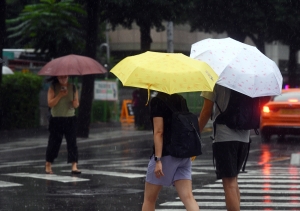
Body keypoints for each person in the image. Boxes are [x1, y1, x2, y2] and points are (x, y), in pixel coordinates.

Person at [142, 92, 199, 211]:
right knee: (188, 197)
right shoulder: (181, 99)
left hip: (166, 154)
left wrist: (158, 160)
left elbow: (159, 132)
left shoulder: (157, 101)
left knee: (149, 199)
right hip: (183, 154)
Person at [198, 84, 250, 211]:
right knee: (233, 181)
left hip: (225, 137)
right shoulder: (245, 78)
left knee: (229, 183)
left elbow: (206, 111)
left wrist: (196, 133)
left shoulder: (215, 79)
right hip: (244, 137)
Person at [45, 75, 81, 174]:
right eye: (61, 77)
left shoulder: (73, 87)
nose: (63, 79)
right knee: (54, 143)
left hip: (70, 119)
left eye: (65, 77)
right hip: (56, 119)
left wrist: (75, 103)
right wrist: (60, 95)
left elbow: (76, 104)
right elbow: (50, 103)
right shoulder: (53, 87)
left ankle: (74, 165)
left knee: (72, 142)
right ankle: (48, 164)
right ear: (57, 77)